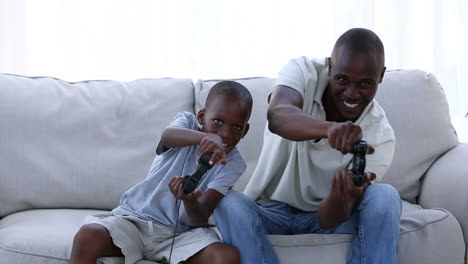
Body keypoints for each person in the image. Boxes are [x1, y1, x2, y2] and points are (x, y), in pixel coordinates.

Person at [214, 28, 402, 264]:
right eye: (342, 79)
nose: (352, 94)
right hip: (270, 211)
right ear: (330, 66)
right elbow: (278, 116)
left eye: (365, 83)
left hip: (324, 218)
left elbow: (327, 220)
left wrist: (340, 199)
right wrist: (329, 129)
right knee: (228, 201)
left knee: (385, 196)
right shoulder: (303, 71)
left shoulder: (380, 137)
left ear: (381, 76)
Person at [69, 80, 253, 264]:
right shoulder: (187, 122)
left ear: (245, 131)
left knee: (226, 256)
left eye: (237, 127)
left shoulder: (234, 163)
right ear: (201, 117)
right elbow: (168, 136)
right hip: (135, 221)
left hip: (181, 235)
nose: (226, 133)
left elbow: (200, 217)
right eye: (218, 121)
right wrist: (206, 138)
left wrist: (189, 200)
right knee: (88, 235)